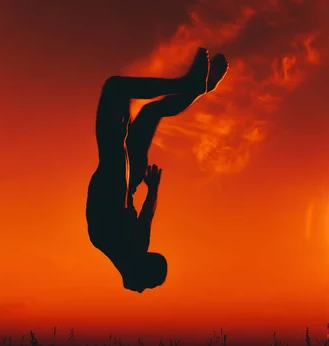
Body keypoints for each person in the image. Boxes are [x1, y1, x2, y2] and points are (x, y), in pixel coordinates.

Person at [86, 47, 229, 293]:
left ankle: (197, 89)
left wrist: (152, 190)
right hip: (120, 163)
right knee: (116, 88)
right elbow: (117, 191)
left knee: (152, 111)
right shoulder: (111, 241)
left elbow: (145, 214)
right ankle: (189, 85)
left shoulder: (133, 245)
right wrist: (119, 145)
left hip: (130, 169)